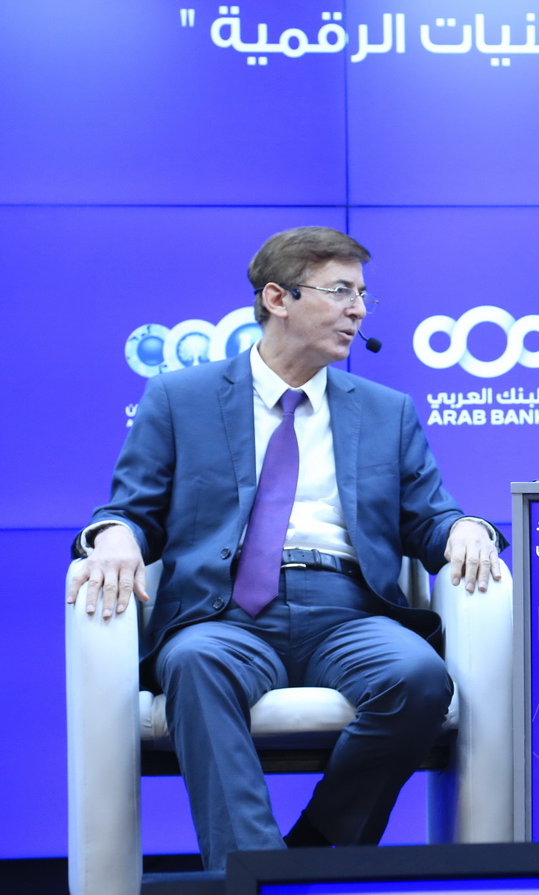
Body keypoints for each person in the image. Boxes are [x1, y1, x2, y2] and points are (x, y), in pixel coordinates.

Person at [66, 226, 506, 871]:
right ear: (278, 298)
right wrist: (111, 536)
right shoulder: (180, 399)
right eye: (341, 291)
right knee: (195, 665)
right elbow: (132, 511)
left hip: (349, 610)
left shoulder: (387, 411)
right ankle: (250, 870)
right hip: (223, 613)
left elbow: (430, 518)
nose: (358, 310)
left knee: (417, 678)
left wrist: (468, 529)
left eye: (363, 295)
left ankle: (307, 859)